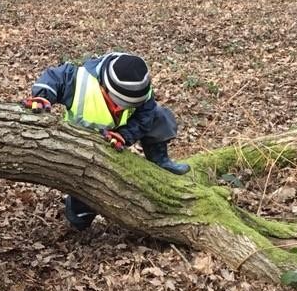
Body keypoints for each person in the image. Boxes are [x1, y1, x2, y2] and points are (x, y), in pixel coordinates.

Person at [23, 52, 190, 231]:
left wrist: (125, 135)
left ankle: (160, 161)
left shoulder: (142, 89)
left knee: (159, 115)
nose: (122, 108)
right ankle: (79, 214)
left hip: (116, 136)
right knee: (84, 202)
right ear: (106, 88)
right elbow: (54, 77)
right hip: (82, 142)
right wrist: (42, 96)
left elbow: (145, 117)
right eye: (120, 103)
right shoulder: (79, 80)